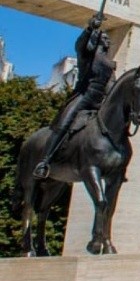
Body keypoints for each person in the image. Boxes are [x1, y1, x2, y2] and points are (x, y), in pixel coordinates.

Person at [33, 13, 116, 179]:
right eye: (104, 37)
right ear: (97, 40)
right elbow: (80, 45)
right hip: (84, 96)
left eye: (108, 38)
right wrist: (90, 28)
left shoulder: (109, 64)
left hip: (100, 101)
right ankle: (45, 161)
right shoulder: (87, 57)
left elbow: (111, 85)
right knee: (65, 123)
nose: (108, 40)